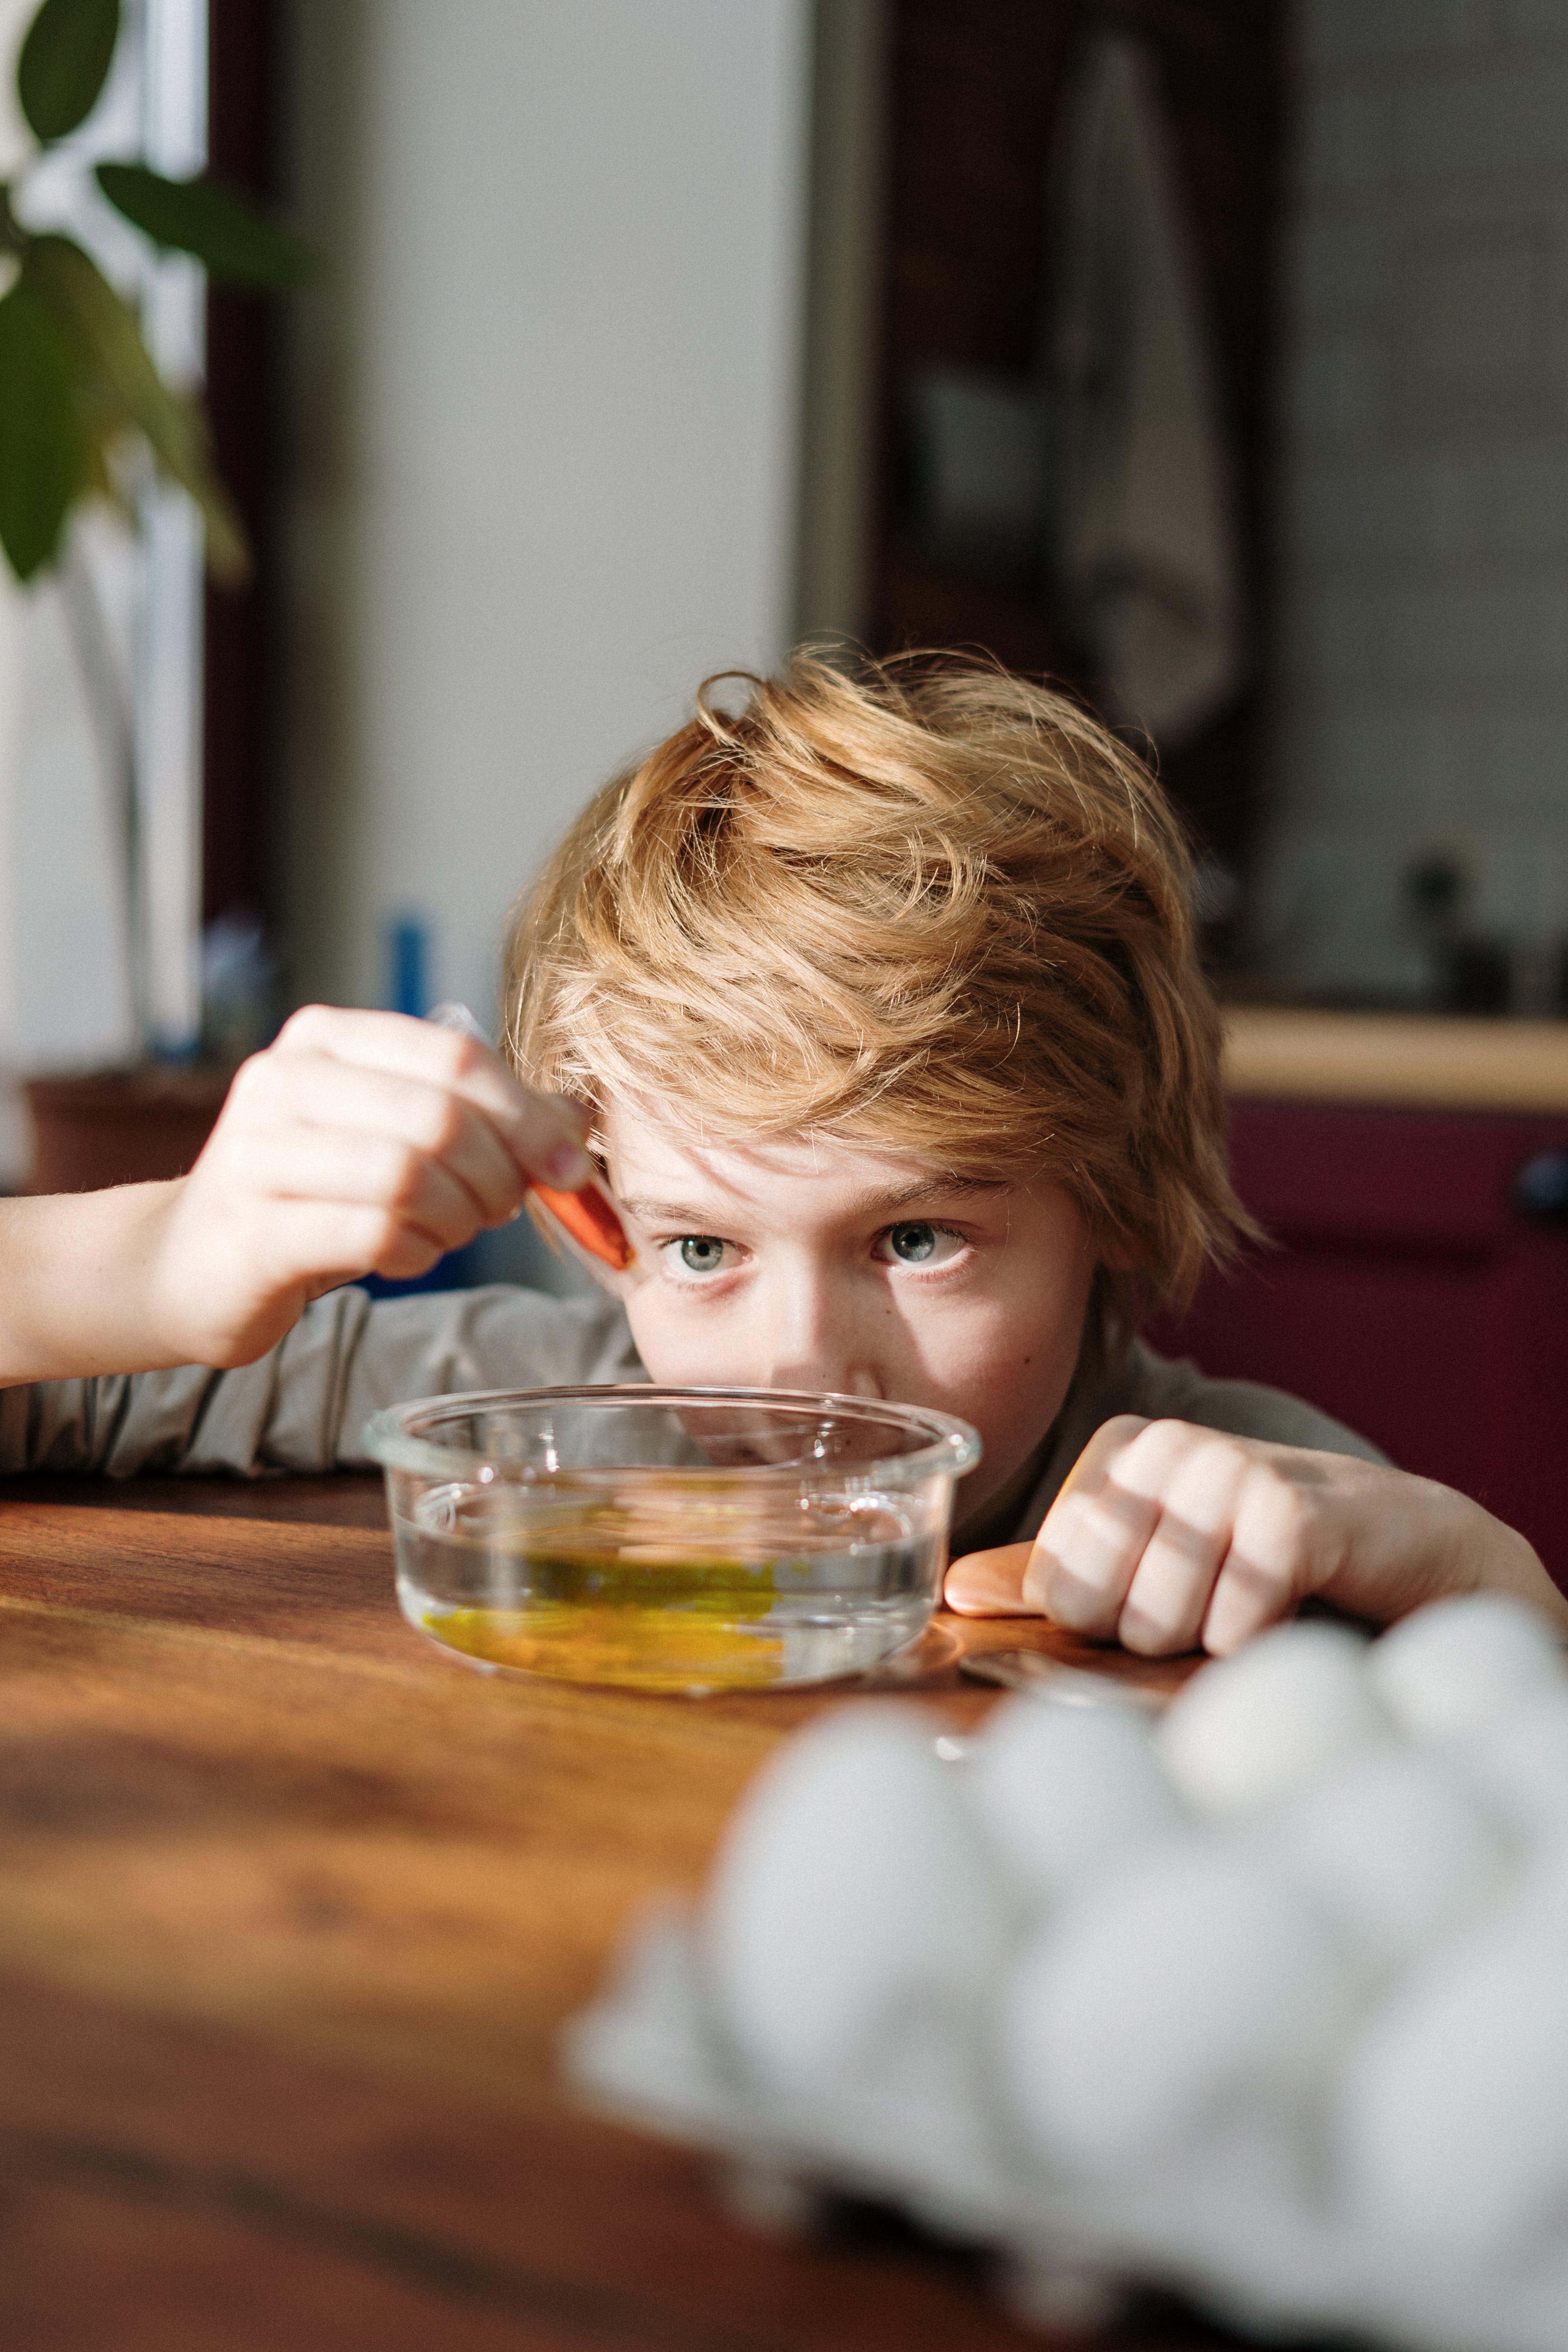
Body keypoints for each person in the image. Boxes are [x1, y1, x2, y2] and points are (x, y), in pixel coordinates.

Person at [2, 656, 1561, 1656]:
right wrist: (151, 1264)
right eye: (701, 1249)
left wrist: (1494, 1593)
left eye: (915, 1239)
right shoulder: (524, 1397)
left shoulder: (1236, 1507)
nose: (798, 1370)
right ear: (596, 1217)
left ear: (1112, 1204)